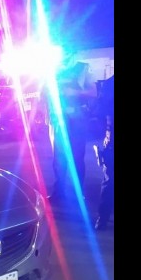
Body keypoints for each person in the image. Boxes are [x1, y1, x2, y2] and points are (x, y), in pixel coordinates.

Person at [48, 60, 96, 204]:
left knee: (77, 159)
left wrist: (74, 92)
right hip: (61, 121)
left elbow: (93, 92)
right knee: (59, 160)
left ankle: (78, 194)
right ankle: (59, 193)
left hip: (77, 123)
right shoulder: (58, 71)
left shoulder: (83, 67)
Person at [93, 74, 114, 230]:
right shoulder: (109, 84)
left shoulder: (109, 84)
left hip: (112, 139)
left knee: (109, 180)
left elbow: (99, 113)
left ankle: (103, 219)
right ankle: (102, 218)